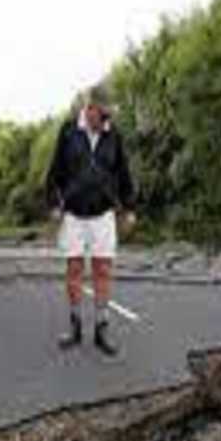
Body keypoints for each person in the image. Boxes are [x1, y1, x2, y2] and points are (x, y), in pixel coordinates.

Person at [45, 85, 136, 357]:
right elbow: (55, 171)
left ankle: (101, 329)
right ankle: (74, 328)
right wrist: (53, 203)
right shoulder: (69, 131)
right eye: (103, 114)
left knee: (103, 270)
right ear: (90, 108)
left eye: (109, 115)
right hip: (73, 213)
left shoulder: (113, 136)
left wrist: (129, 208)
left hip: (103, 214)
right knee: (74, 269)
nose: (107, 120)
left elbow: (123, 173)